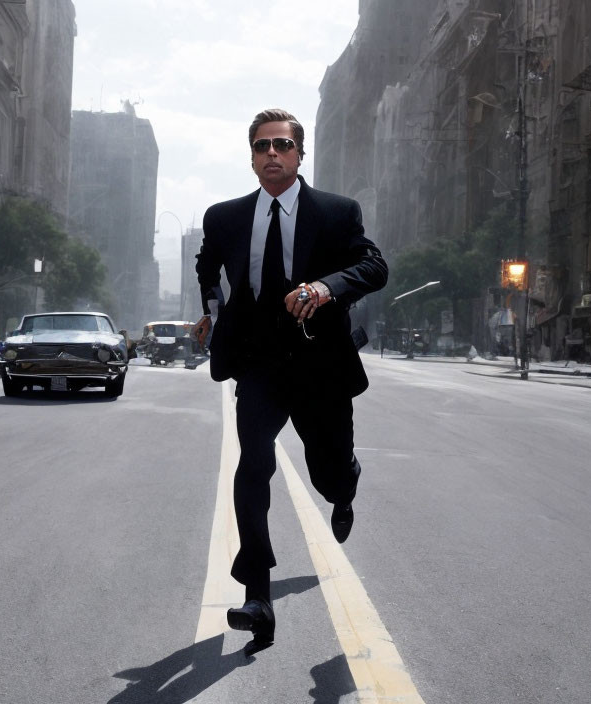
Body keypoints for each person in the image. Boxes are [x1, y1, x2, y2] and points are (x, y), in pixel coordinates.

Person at [194, 108, 388, 650]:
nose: (272, 154)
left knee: (327, 469)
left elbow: (374, 267)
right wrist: (210, 306)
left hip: (319, 361)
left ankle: (345, 484)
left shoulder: (336, 212)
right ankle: (258, 592)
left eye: (282, 145)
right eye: (261, 146)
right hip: (258, 362)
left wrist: (326, 288)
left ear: (300, 154)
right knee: (251, 465)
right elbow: (207, 265)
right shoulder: (225, 217)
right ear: (252, 156)